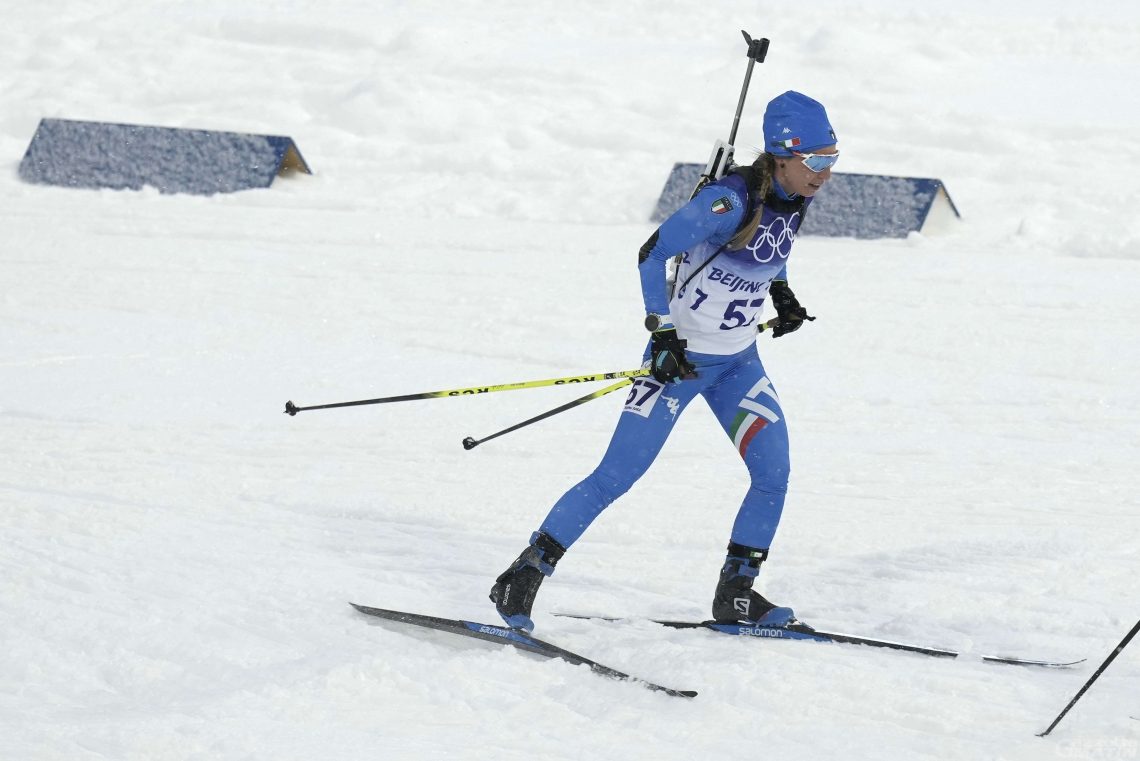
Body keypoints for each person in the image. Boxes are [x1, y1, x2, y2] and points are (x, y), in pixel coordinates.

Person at [490, 91, 839, 632]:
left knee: (774, 473)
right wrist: (663, 330)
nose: (826, 172)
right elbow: (652, 252)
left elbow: (771, 250)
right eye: (816, 160)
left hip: (737, 365)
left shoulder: (796, 195)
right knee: (616, 476)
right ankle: (524, 574)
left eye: (833, 158)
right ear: (782, 153)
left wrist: (783, 296)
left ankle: (737, 595)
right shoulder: (727, 201)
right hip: (679, 365)